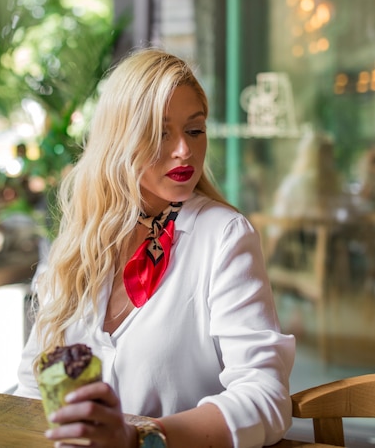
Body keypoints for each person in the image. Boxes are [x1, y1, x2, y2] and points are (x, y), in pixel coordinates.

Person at [15, 48, 295, 448]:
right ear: (119, 139)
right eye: (160, 132)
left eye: (194, 131)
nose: (183, 150)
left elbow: (266, 396)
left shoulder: (224, 235)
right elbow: (31, 384)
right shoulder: (80, 240)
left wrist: (139, 437)